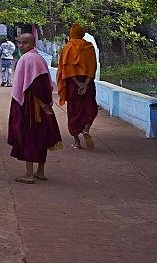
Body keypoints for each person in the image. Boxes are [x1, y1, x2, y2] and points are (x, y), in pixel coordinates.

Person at [8, 32, 62, 183]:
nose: (20, 46)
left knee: (28, 136)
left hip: (31, 106)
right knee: (41, 136)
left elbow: (34, 85)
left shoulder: (28, 58)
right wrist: (46, 103)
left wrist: (43, 104)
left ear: (33, 44)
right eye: (19, 43)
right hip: (40, 104)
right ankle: (40, 171)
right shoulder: (39, 58)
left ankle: (29, 174)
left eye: (24, 43)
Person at [57, 23, 99, 149]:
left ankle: (76, 141)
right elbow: (92, 67)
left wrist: (78, 84)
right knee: (89, 108)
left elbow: (66, 70)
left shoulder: (67, 48)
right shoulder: (89, 47)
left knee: (74, 111)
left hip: (73, 85)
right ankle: (86, 130)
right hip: (88, 84)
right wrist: (85, 84)